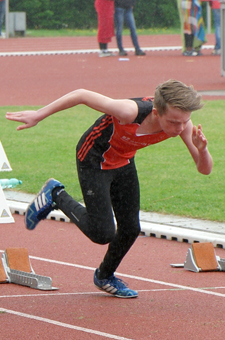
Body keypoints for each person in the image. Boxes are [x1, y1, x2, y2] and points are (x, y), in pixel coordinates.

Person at [6, 79, 213, 298]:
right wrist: (39, 115)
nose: (179, 128)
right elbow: (82, 94)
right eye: (173, 122)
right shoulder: (128, 111)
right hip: (94, 158)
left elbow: (204, 169)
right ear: (156, 112)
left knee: (130, 228)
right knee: (102, 233)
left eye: (185, 121)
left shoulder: (182, 124)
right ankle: (56, 194)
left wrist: (203, 150)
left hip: (123, 161)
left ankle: (105, 276)